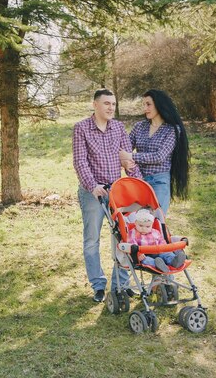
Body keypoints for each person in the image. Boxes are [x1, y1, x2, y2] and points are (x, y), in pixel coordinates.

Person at [73, 89, 142, 303]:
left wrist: (138, 186)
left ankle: (121, 283)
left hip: (117, 192)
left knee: (123, 238)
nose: (111, 107)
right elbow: (80, 161)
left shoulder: (119, 127)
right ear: (95, 105)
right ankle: (98, 285)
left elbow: (127, 160)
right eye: (106, 103)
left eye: (113, 103)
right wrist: (93, 185)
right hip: (93, 192)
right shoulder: (81, 128)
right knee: (92, 240)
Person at [120, 89, 190, 215]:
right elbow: (124, 149)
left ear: (159, 104)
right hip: (139, 180)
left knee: (155, 223)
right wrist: (124, 162)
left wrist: (130, 156)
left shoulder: (172, 130)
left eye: (148, 104)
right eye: (143, 105)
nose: (145, 108)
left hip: (159, 181)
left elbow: (160, 156)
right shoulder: (139, 127)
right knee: (135, 223)